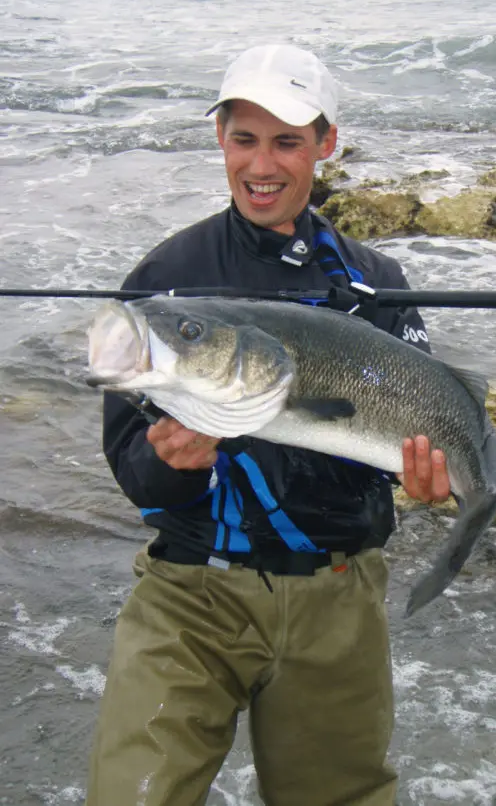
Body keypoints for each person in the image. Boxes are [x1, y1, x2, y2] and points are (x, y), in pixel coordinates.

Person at [86, 44, 450, 806]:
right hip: (190, 593)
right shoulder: (164, 285)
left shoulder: (375, 283)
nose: (263, 164)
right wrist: (170, 464)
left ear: (326, 145)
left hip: (337, 595)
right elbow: (132, 469)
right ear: (220, 137)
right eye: (244, 138)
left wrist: (423, 478)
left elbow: (403, 431)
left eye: (287, 141)